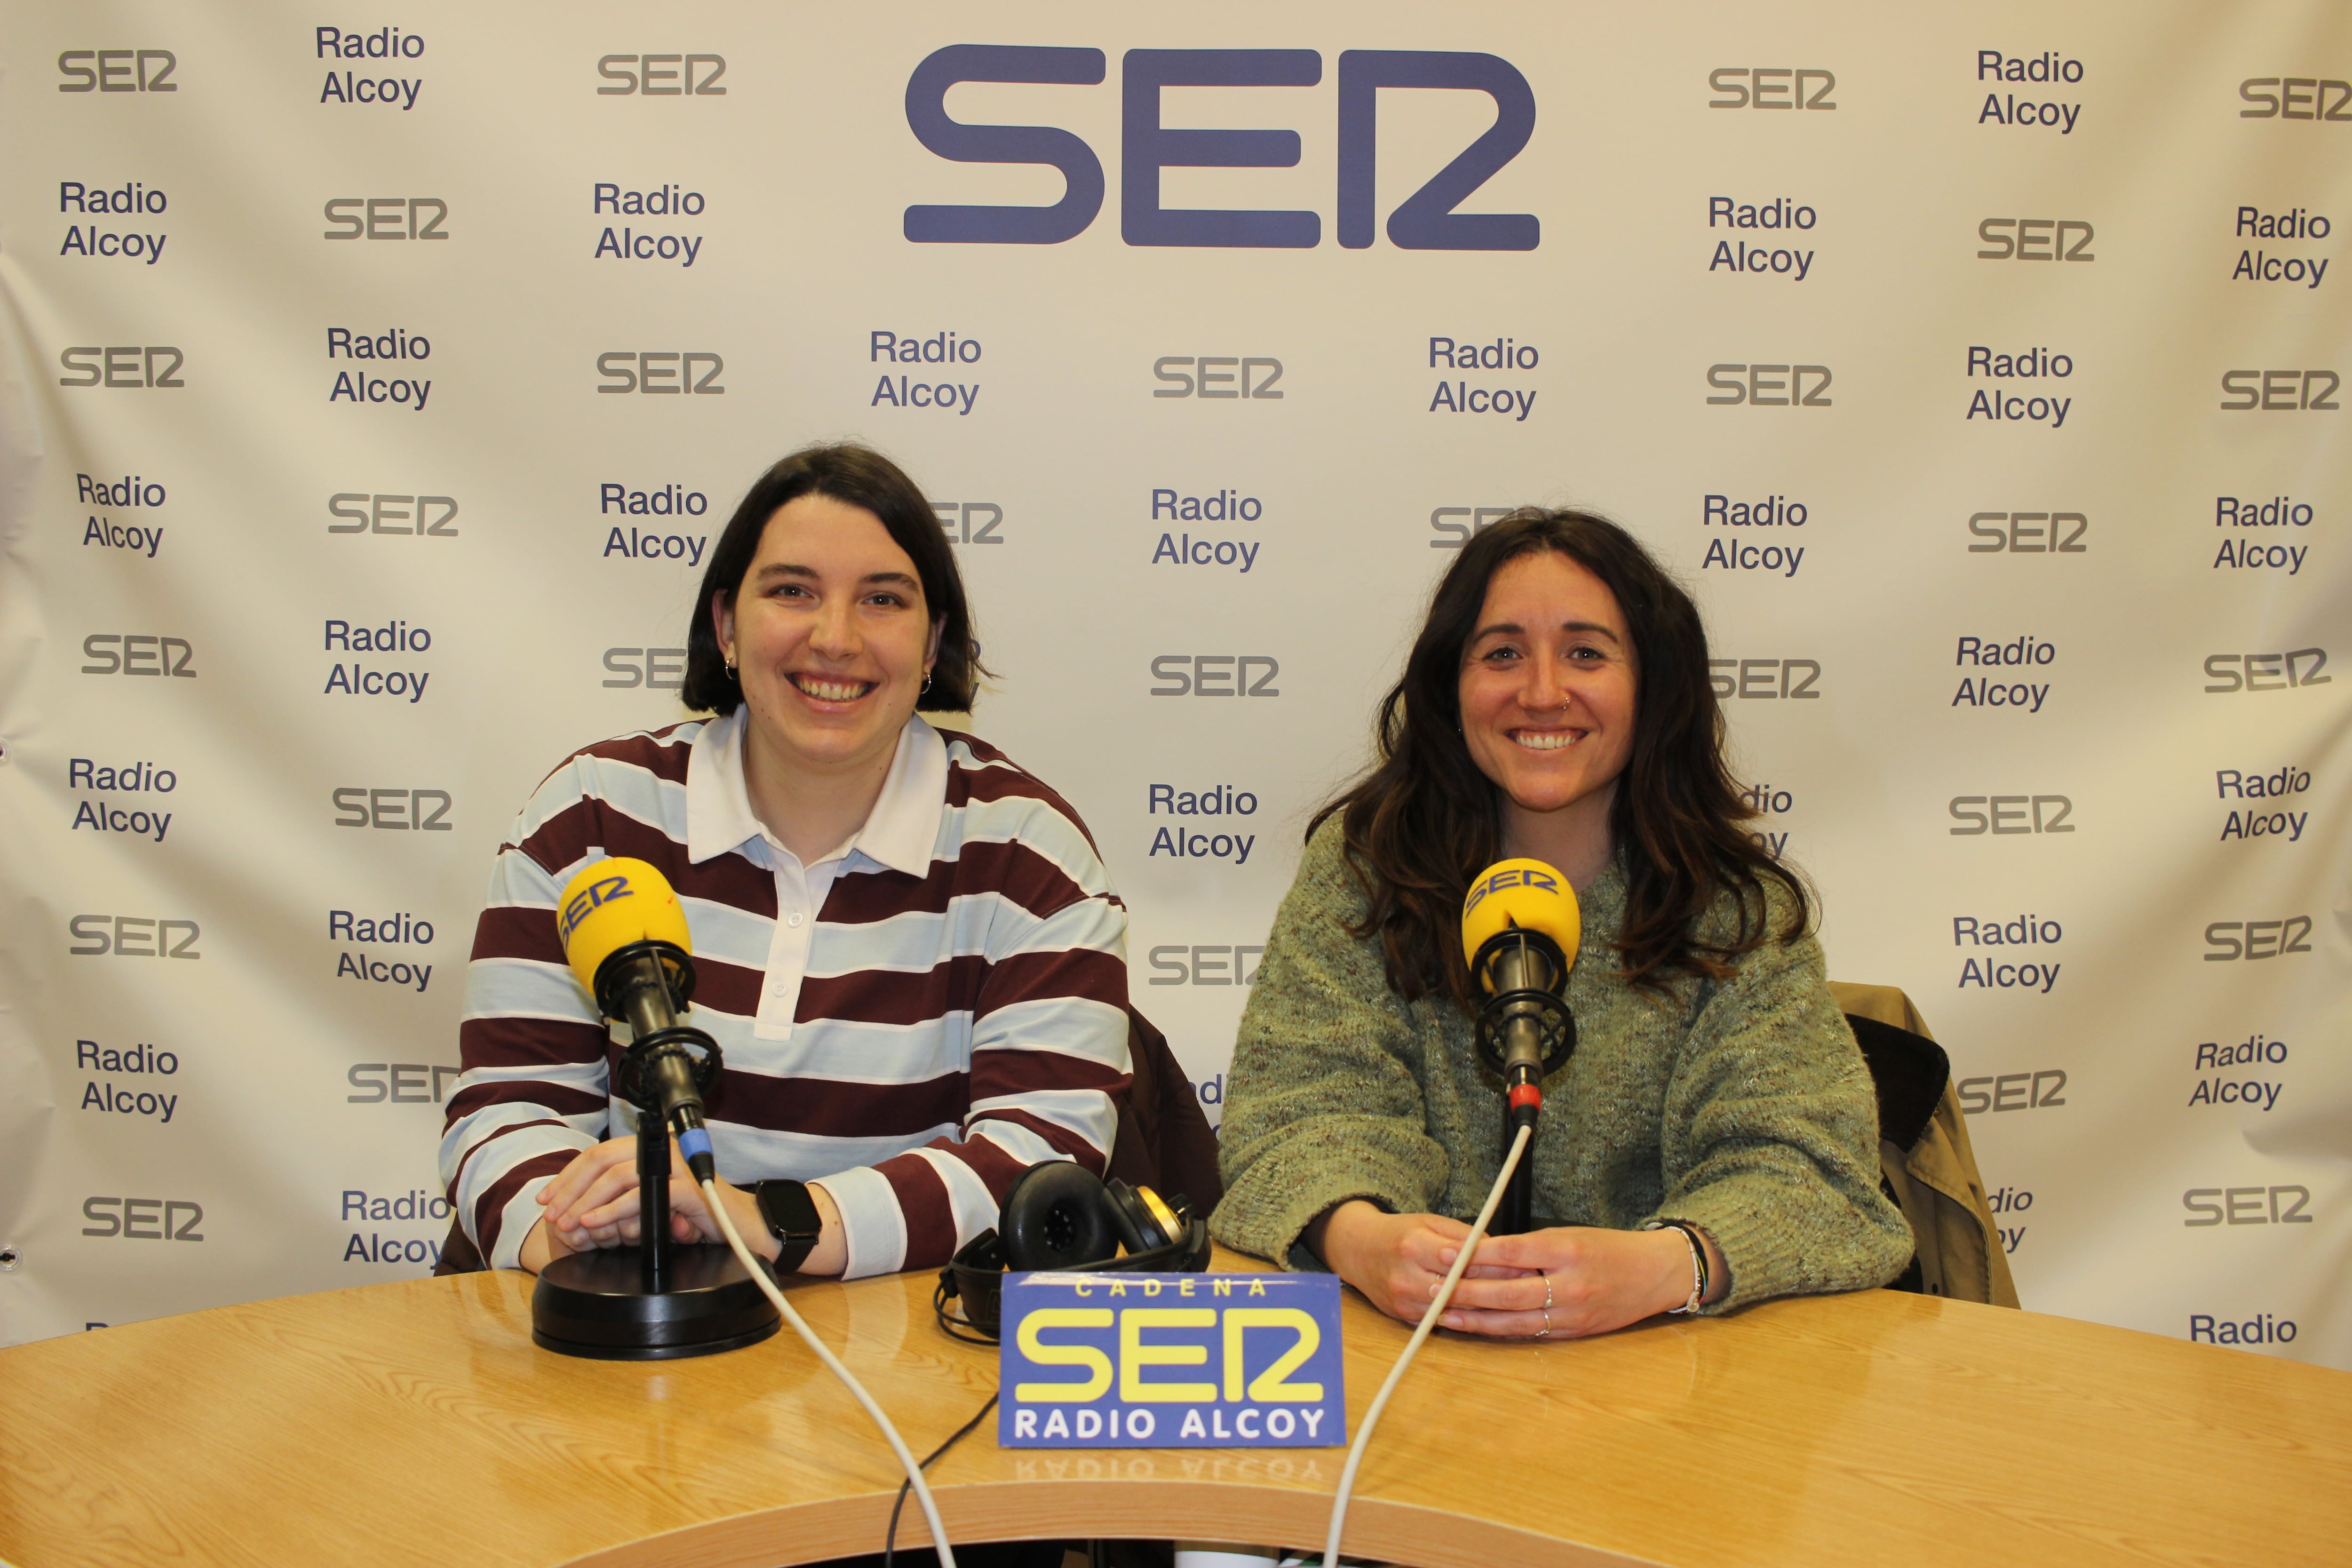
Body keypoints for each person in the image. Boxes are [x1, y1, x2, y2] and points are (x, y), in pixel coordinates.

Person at [438, 444, 1133, 1281]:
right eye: (792, 591)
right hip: (625, 1316)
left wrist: (767, 1222)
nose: (835, 638)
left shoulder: (1030, 856)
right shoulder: (588, 818)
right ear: (727, 626)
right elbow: (507, 1111)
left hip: (897, 1347)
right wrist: (595, 1237)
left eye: (883, 599)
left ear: (932, 644)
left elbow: (1041, 1162)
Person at [1211, 509, 1912, 1336]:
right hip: (1408, 1355)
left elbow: (1820, 1180)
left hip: (1668, 1370)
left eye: (1586, 653)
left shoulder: (1736, 910)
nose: (1542, 692)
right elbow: (1290, 1117)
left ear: (1652, 685)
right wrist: (1365, 1240)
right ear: (1451, 686)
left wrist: (1662, 1266)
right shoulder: (1364, 867)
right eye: (1502, 653)